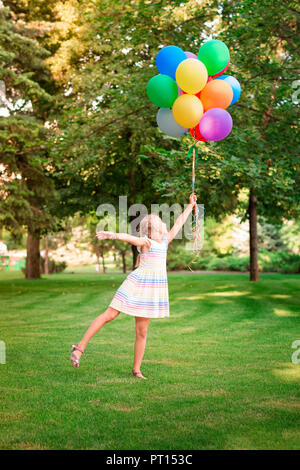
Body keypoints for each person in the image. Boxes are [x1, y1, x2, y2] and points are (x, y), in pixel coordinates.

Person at [70, 193, 197, 379]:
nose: (162, 227)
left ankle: (136, 369)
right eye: (158, 226)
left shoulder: (164, 241)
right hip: (136, 284)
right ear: (150, 231)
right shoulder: (146, 242)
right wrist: (110, 234)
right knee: (110, 315)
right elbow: (129, 238)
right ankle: (79, 347)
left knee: (142, 331)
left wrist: (190, 206)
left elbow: (178, 223)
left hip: (150, 291)